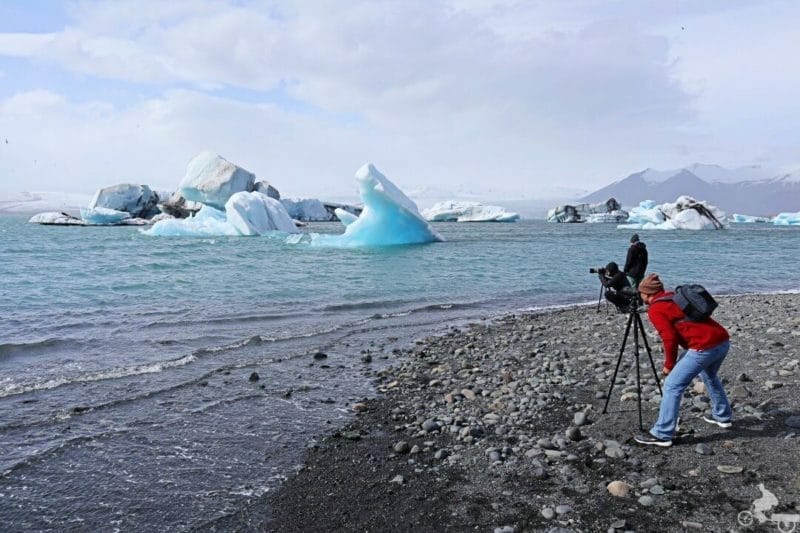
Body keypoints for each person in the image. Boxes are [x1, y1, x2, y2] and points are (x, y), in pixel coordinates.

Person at [633, 273, 732, 447]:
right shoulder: (673, 296)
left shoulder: (656, 309)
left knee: (672, 385)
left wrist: (669, 365)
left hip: (703, 346)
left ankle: (662, 433)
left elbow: (669, 338)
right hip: (722, 340)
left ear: (646, 294)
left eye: (640, 293)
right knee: (709, 375)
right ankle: (722, 416)